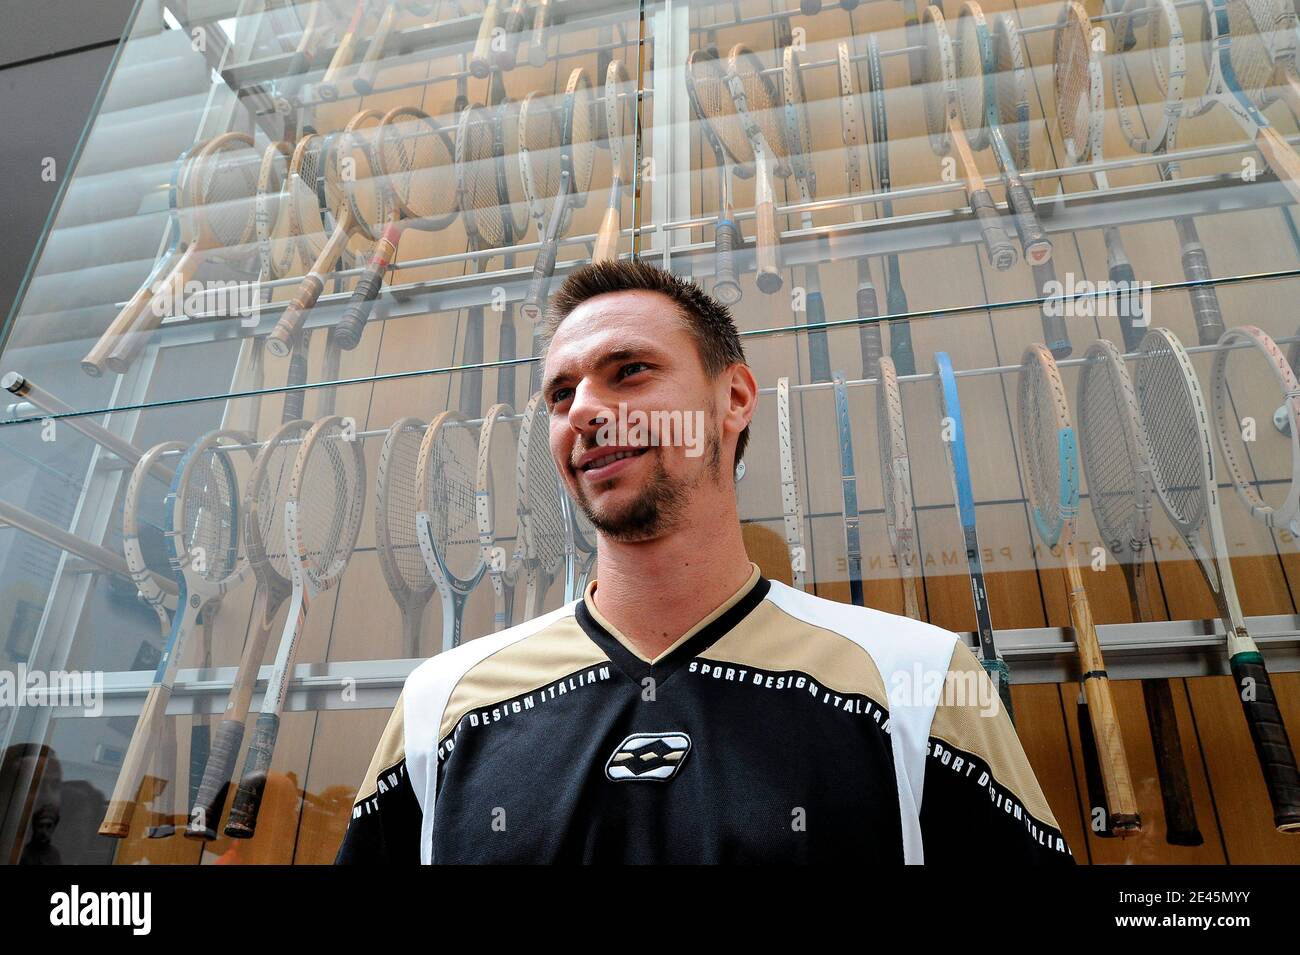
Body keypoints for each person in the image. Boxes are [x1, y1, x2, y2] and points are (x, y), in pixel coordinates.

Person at [336, 261, 1073, 864]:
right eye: (562, 393)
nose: (586, 408)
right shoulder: (438, 707)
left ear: (735, 397)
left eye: (629, 371)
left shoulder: (919, 681)